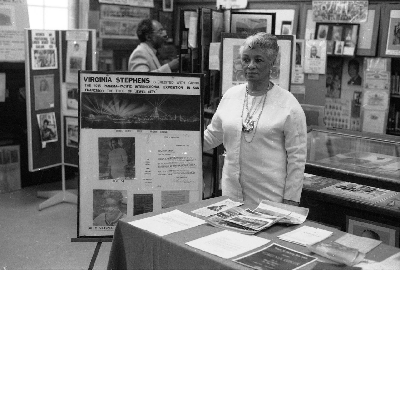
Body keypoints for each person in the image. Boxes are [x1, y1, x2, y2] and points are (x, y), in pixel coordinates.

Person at [203, 33, 307, 206]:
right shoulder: (231, 96)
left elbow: (297, 158)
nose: (250, 66)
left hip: (270, 197)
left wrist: (291, 199)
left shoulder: (288, 105)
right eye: (246, 59)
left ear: (272, 63)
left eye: (258, 60)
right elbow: (212, 136)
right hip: (231, 195)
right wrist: (178, 142)